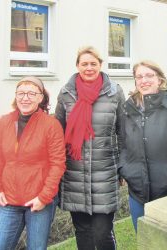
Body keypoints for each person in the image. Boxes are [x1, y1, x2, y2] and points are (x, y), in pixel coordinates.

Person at [55, 46, 125, 250]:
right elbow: (57, 132)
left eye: (93, 63)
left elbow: (123, 132)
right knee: (83, 232)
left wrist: (122, 167)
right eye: (84, 64)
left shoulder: (114, 92)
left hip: (105, 174)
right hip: (74, 174)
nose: (89, 68)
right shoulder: (67, 93)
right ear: (77, 66)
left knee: (102, 233)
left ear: (100, 65)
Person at [118, 60, 167, 232]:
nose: (144, 80)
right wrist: (124, 168)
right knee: (145, 240)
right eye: (139, 77)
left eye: (149, 75)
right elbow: (121, 142)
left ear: (160, 79)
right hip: (137, 192)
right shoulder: (127, 109)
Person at [0, 76, 66, 250]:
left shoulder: (51, 125)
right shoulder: (4, 122)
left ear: (40, 98)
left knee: (36, 247)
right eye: (21, 93)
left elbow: (57, 164)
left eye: (31, 93)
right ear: (15, 96)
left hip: (39, 201)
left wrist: (44, 197)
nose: (25, 98)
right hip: (9, 200)